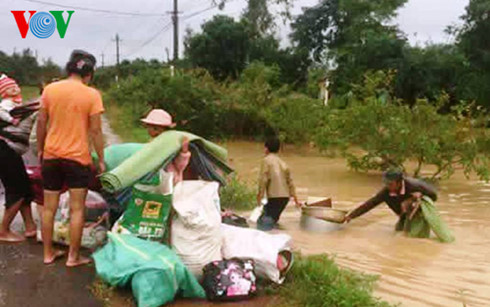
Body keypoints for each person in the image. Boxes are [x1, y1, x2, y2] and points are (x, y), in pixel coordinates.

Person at [37, 50, 105, 267]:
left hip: (51, 156)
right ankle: (73, 257)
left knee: (49, 208)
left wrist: (40, 149)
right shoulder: (91, 95)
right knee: (77, 209)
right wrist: (101, 159)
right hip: (77, 159)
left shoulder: (50, 90)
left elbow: (41, 123)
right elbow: (95, 132)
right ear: (89, 73)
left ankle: (48, 254)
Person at [0, 75, 38, 242]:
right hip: (5, 150)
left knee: (25, 188)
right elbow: (36, 138)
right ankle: (3, 231)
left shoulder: (21, 106)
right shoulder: (6, 107)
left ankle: (30, 227)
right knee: (17, 190)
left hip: (9, 151)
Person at [344, 169, 438, 230]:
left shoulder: (415, 186)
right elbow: (371, 203)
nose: (388, 186)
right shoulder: (386, 192)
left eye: (390, 184)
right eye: (386, 184)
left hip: (416, 207)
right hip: (401, 211)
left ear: (400, 182)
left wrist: (420, 196)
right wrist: (351, 216)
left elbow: (434, 196)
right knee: (401, 231)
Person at [257, 137, 300, 230]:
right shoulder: (283, 163)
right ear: (278, 149)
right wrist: (296, 200)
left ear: (266, 149)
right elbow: (290, 183)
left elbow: (263, 180)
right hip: (285, 198)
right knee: (272, 219)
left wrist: (259, 196)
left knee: (262, 223)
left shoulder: (266, 160)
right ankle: (278, 233)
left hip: (274, 197)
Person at [141, 109, 190, 185]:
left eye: (157, 129)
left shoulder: (172, 145)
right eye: (152, 128)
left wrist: (184, 152)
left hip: (172, 182)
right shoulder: (150, 145)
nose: (156, 132)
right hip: (154, 181)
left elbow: (180, 166)